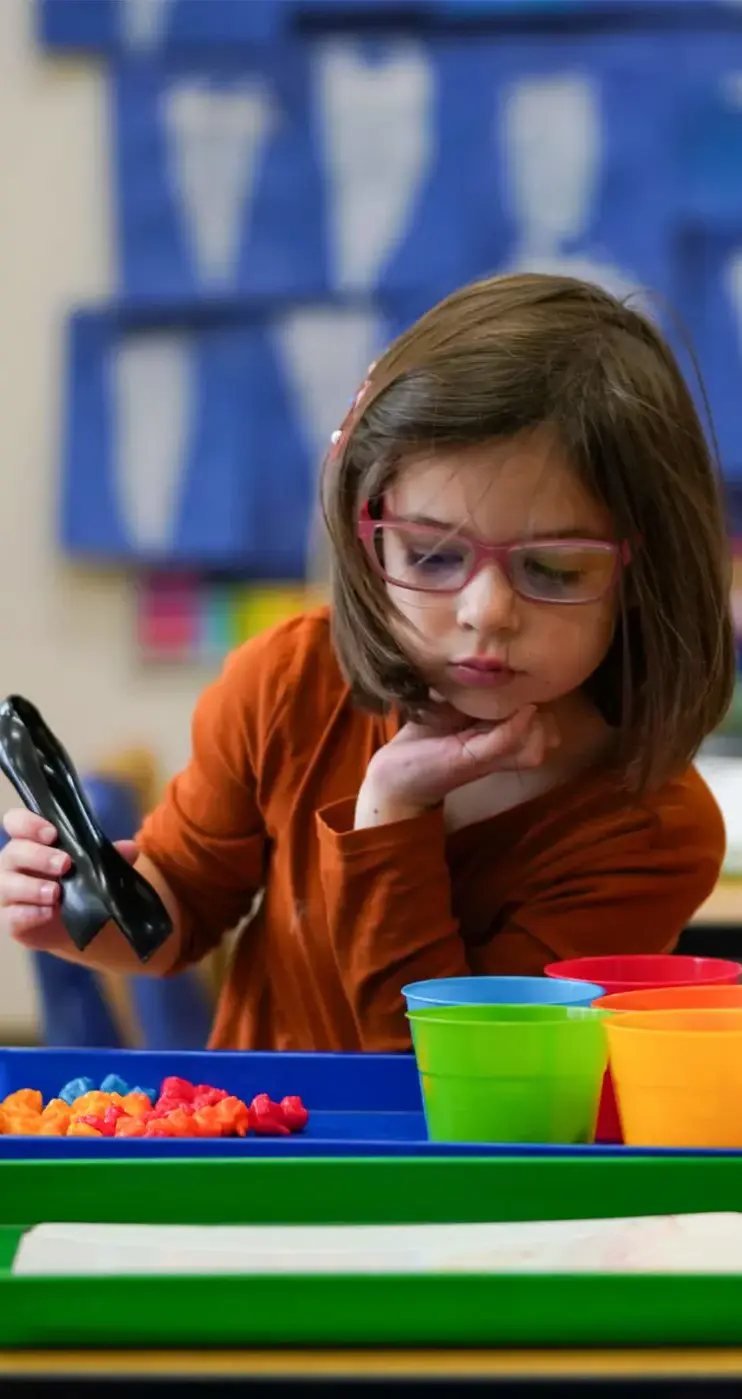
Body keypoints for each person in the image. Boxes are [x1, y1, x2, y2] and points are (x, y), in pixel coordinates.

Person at [0, 273, 735, 1052]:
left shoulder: (655, 829)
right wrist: (75, 914)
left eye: (553, 569)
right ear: (368, 532)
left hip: (464, 1171)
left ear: (639, 577)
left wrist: (391, 811)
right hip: (259, 1152)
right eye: (432, 554)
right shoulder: (288, 682)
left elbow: (451, 1073)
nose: (484, 612)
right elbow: (177, 908)